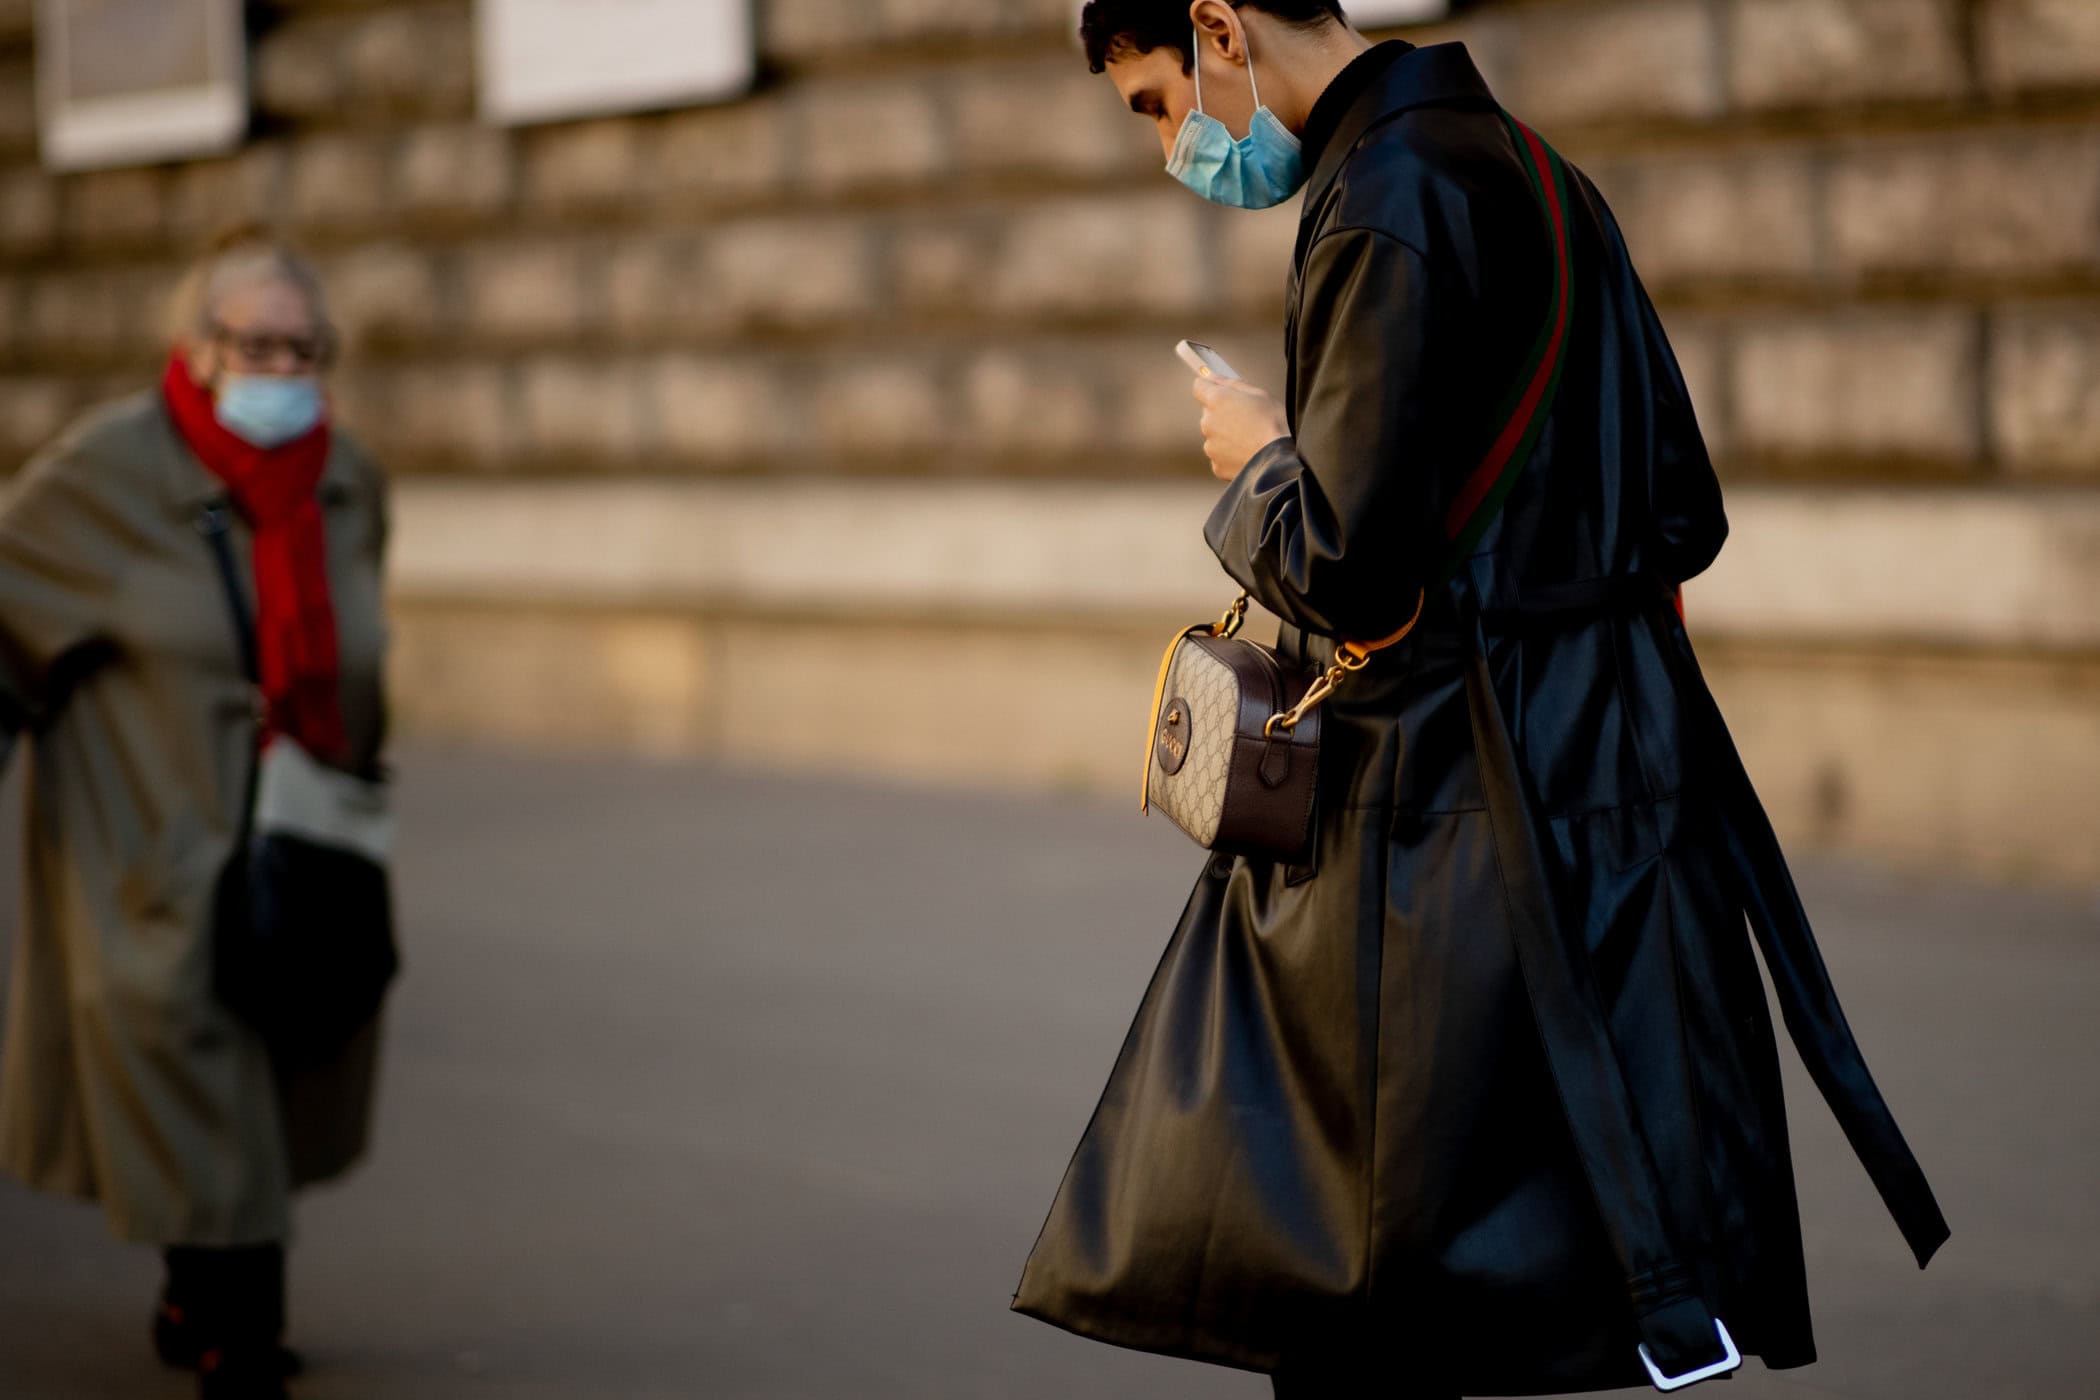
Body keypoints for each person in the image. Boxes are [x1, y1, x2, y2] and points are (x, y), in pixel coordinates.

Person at [1012, 4, 1949, 1397]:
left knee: (1353, 1280)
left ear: (1218, 24)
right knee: (1523, 1257)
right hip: (1611, 766)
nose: (1177, 149)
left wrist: (1261, 458)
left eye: (1160, 103)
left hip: (1431, 804)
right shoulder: (1541, 173)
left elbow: (1347, 565)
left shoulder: (1382, 196)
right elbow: (1680, 502)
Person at [0, 227, 391, 1400]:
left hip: (304, 827)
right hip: (151, 837)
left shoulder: (347, 476)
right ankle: (232, 1322)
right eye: (252, 342)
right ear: (196, 345)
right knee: (195, 1063)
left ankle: (198, 1288)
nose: (278, 369)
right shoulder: (110, 470)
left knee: (279, 1060)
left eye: (300, 346)